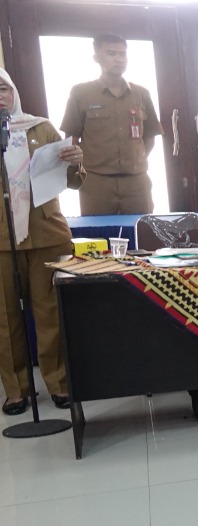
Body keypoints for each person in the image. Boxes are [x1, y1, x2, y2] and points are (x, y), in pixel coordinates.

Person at [0, 68, 82, 414]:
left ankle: (59, 383)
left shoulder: (41, 127)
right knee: (5, 319)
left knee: (50, 313)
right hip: (2, 240)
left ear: (14, 93)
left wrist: (76, 164)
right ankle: (16, 389)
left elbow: (72, 181)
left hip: (47, 234)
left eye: (3, 89)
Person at [59, 34, 162, 215]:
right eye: (111, 53)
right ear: (96, 57)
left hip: (136, 181)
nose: (119, 59)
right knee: (98, 231)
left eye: (123, 54)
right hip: (96, 180)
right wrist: (77, 171)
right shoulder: (81, 93)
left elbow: (150, 138)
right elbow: (71, 140)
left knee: (141, 228)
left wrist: (134, 161)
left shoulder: (141, 94)